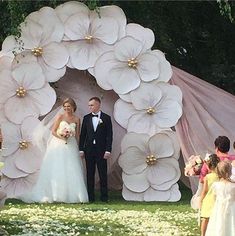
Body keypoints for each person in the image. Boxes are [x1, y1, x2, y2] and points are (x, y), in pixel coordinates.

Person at [20, 98, 88, 203]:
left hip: (71, 145)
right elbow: (53, 131)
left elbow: (78, 135)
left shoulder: (77, 119)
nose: (66, 109)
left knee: (72, 168)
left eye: (68, 106)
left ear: (73, 107)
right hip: (59, 145)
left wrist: (80, 148)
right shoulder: (60, 116)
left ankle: (74, 195)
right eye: (65, 107)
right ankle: (56, 194)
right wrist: (62, 137)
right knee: (58, 168)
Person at [79, 97, 113, 202]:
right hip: (89, 150)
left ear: (98, 105)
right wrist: (81, 149)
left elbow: (109, 135)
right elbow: (82, 135)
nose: (90, 107)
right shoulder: (86, 118)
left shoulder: (106, 118)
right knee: (90, 174)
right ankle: (90, 197)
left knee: (103, 174)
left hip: (102, 150)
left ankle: (104, 197)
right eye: (89, 105)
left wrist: (108, 150)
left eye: (92, 105)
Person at [205, 161, 235, 236]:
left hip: (219, 209)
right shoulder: (233, 186)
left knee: (219, 225)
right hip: (232, 209)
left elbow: (215, 198)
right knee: (231, 224)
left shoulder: (216, 185)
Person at [199, 154, 220, 236]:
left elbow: (204, 191)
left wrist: (201, 200)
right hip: (217, 200)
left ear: (208, 166)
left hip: (208, 200)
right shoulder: (220, 176)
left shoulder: (207, 177)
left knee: (205, 219)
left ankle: (203, 234)